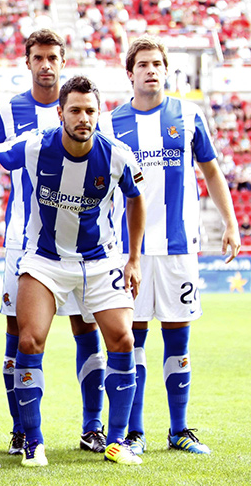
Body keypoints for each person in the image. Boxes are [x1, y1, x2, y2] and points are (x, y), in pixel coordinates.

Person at [100, 35, 241, 455]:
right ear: (130, 74)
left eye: (157, 63)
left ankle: (179, 430)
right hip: (132, 253)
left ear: (166, 69)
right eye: (142, 64)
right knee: (134, 336)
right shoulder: (110, 124)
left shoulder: (189, 115)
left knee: (178, 336)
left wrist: (231, 223)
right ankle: (136, 431)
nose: (151, 70)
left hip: (180, 247)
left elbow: (213, 173)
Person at [0, 75, 147, 467]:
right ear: (60, 113)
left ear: (99, 114)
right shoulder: (34, 146)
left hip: (98, 261)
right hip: (45, 260)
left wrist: (133, 258)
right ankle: (33, 440)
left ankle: (117, 441)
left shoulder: (116, 155)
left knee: (123, 341)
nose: (84, 118)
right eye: (76, 110)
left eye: (91, 111)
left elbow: (136, 198)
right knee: (29, 341)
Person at [0, 29, 107, 455]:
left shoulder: (88, 108)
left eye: (53, 57)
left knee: (86, 328)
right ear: (27, 61)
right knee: (18, 335)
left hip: (80, 245)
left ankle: (92, 426)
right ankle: (22, 429)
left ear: (62, 59)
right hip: (23, 242)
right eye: (38, 57)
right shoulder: (8, 109)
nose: (46, 64)